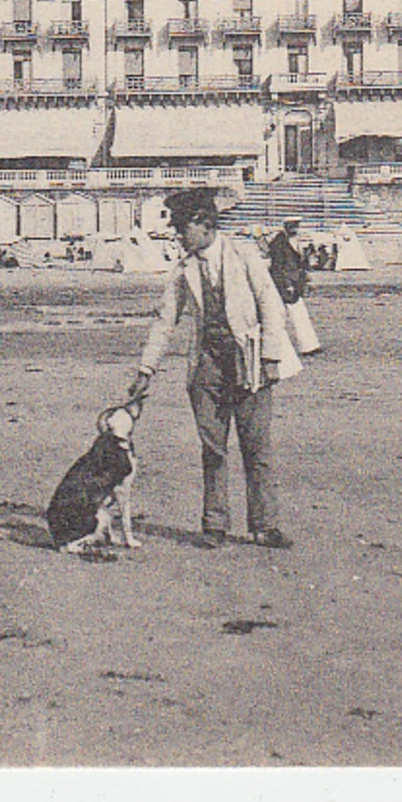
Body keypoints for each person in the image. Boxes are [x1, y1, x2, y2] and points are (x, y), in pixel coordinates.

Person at [129, 189, 300, 550]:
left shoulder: (244, 254)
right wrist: (147, 368)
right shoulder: (183, 270)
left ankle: (265, 525)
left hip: (249, 361)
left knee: (256, 448)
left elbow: (271, 304)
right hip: (206, 366)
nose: (178, 236)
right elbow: (165, 321)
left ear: (202, 223)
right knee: (213, 448)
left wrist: (271, 357)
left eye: (181, 228)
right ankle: (214, 525)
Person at [267, 217, 321, 357]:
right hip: (285, 283)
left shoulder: (293, 241)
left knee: (293, 314)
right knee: (293, 313)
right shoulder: (279, 243)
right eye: (292, 225)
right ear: (286, 226)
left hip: (293, 282)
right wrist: (286, 284)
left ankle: (307, 344)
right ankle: (306, 345)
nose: (295, 228)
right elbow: (278, 267)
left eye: (297, 225)